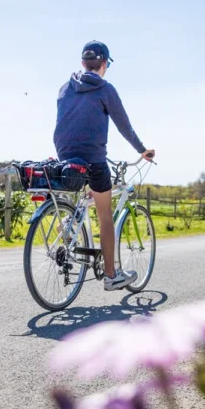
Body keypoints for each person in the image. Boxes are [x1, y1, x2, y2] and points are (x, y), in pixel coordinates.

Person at [53, 40, 156, 291]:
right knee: (105, 215)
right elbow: (124, 127)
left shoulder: (65, 87)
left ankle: (68, 227)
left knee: (83, 194)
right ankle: (111, 275)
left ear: (82, 62)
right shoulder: (105, 89)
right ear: (103, 64)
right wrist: (143, 150)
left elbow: (66, 124)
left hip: (64, 158)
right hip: (93, 159)